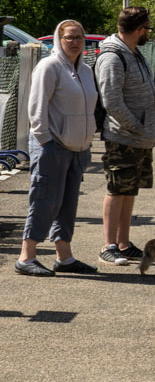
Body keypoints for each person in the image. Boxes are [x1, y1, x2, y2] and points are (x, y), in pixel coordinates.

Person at [16, 20, 100, 276]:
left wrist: (87, 139)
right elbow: (37, 106)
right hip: (53, 146)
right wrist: (44, 140)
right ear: (58, 40)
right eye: (69, 37)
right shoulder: (49, 66)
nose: (75, 42)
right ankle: (26, 257)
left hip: (78, 147)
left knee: (67, 203)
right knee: (44, 201)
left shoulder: (85, 70)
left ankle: (64, 257)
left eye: (79, 37)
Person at [96, 6, 155, 266]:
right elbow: (112, 101)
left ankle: (123, 243)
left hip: (140, 137)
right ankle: (108, 246)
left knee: (129, 190)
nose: (148, 32)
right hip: (123, 137)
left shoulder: (134, 53)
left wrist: (154, 125)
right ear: (139, 29)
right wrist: (136, 126)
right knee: (116, 189)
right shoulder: (114, 58)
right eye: (147, 28)